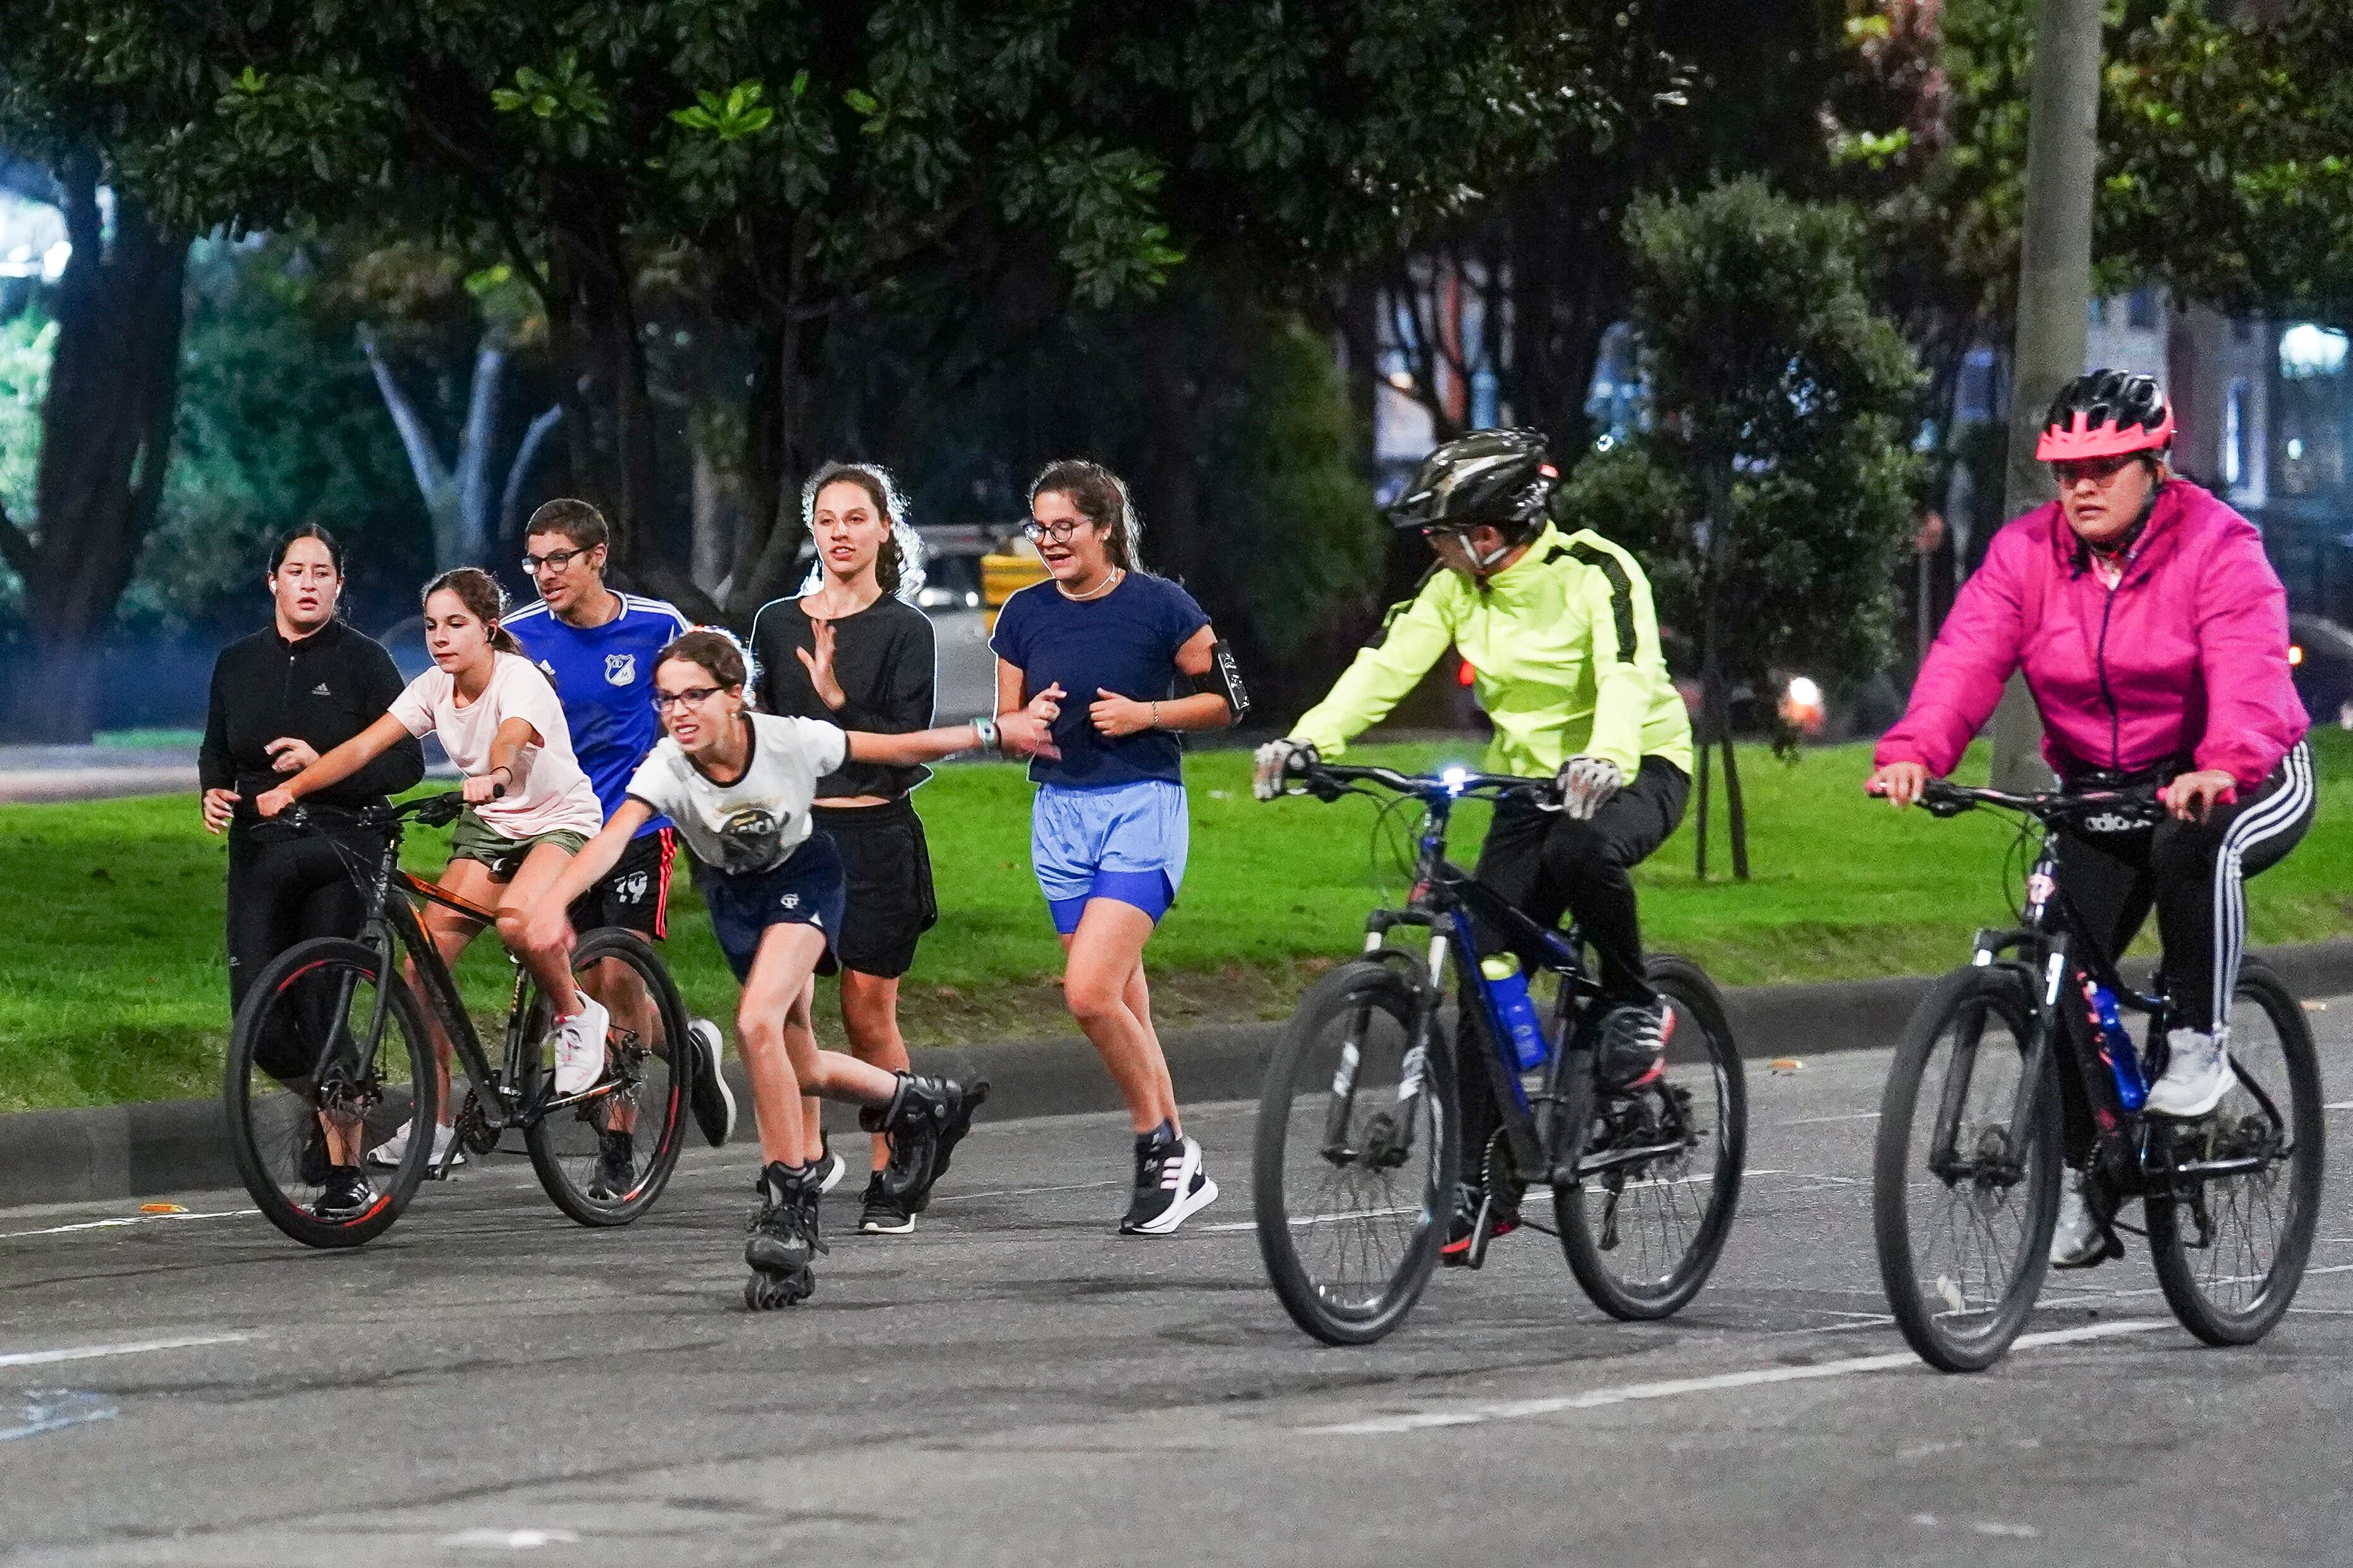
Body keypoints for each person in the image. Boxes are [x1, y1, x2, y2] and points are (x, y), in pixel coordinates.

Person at [1868, 370, 2313, 1270]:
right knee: (2058, 963)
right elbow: (1965, 655)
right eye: (2066, 471)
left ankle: (2198, 1046)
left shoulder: (2217, 545)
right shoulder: (2023, 555)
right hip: (2103, 790)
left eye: (2105, 468)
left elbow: (2248, 667)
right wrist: (1916, 749)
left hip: (2239, 771)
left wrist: (2220, 763)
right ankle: (2086, 1172)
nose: (2081, 487)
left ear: (2155, 466)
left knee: (2194, 845)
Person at [1251, 427, 1696, 1263]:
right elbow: (1384, 664)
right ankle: (1476, 1186)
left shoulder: (1596, 570)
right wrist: (1308, 741)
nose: (1434, 546)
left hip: (1637, 764)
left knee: (1577, 853)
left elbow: (1626, 673)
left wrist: (1605, 755)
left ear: (1491, 533)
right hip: (1528, 784)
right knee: (1483, 968)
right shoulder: (1452, 587)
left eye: (1445, 533)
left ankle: (1634, 1004)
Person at [520, 629, 1047, 1308]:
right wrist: (552, 901)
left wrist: (994, 731)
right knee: (800, 1065)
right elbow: (613, 837)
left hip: (804, 880)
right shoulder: (667, 766)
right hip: (736, 900)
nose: (679, 712)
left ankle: (789, 1204)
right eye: (666, 700)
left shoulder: (789, 740)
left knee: (755, 1024)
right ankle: (920, 1102)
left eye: (694, 696)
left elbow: (894, 748)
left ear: (734, 695)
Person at [254, 568, 609, 1215]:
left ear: (489, 629)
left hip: (557, 820)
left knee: (521, 925)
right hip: (491, 826)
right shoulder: (433, 687)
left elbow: (511, 736)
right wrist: (292, 790)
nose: (440, 638)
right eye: (431, 626)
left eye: (456, 625)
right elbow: (364, 747)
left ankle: (577, 1014)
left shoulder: (518, 678)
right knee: (420, 964)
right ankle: (436, 1123)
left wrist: (495, 774)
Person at [988, 459, 1246, 1236]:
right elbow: (1007, 728)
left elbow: (1227, 702)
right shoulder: (1023, 613)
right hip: (1058, 818)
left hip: (1141, 808)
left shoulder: (1161, 605)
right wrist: (1025, 724)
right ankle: (1180, 1162)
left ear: (1103, 527)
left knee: (1088, 994)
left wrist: (1145, 715)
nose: (1049, 542)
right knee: (1124, 999)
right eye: (1040, 529)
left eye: (1064, 527)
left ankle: (1157, 1145)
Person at [505, 497, 736, 1181]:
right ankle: (688, 1048)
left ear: (597, 556)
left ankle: (617, 1143)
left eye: (559, 559)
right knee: (581, 989)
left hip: (638, 826)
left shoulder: (657, 625)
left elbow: (717, 683)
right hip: (560, 833)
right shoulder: (518, 638)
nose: (546, 574)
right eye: (535, 562)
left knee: (617, 973)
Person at [751, 463, 942, 1234]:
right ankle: (798, 1165)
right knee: (786, 1009)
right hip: (796, 842)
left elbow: (907, 744)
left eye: (856, 518)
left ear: (883, 528)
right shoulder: (777, 624)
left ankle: (895, 1165)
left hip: (875, 837)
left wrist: (836, 701)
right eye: (827, 519)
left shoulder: (906, 630)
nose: (840, 533)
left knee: (866, 1013)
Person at [200, 526, 425, 1082]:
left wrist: (322, 766)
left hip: (340, 845)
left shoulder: (366, 661)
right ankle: (337, 1093)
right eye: (296, 572)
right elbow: (217, 749)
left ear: (338, 585)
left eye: (321, 574)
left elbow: (408, 764)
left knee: (321, 1008)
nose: (308, 584)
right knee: (260, 1026)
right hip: (259, 848)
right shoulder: (236, 662)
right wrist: (213, 789)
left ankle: (341, 1125)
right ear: (272, 581)